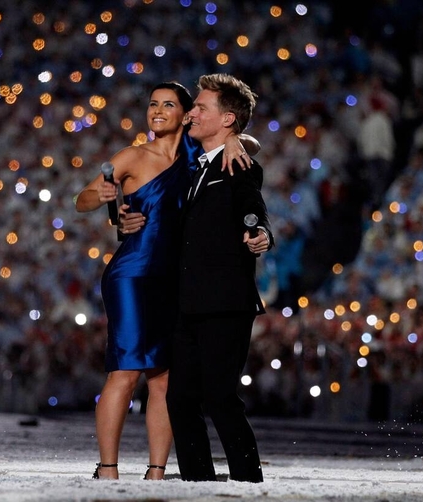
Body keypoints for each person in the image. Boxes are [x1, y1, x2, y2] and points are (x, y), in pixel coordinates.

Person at [75, 82, 260, 480]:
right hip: (134, 275)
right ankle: (108, 467)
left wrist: (238, 143)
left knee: (165, 379)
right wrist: (108, 201)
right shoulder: (131, 155)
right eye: (152, 104)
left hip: (177, 280)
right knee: (124, 371)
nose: (157, 110)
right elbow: (83, 200)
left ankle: (157, 470)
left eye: (169, 105)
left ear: (187, 113)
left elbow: (239, 138)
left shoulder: (197, 155)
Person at [166, 73, 273, 483]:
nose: (191, 112)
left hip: (225, 302)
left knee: (220, 397)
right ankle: (198, 481)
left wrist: (259, 232)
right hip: (188, 302)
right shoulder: (197, 164)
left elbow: (252, 205)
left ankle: (248, 479)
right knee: (180, 399)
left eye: (201, 107)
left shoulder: (238, 164)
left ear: (227, 119)